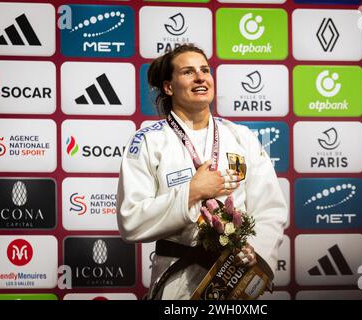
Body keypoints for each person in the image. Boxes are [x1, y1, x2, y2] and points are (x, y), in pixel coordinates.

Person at [116, 44, 287, 300]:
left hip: (233, 277)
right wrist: (192, 192)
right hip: (176, 281)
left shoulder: (241, 137)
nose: (200, 77)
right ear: (169, 87)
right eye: (187, 72)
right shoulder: (148, 141)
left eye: (205, 70)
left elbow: (270, 208)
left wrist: (255, 250)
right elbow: (131, 221)